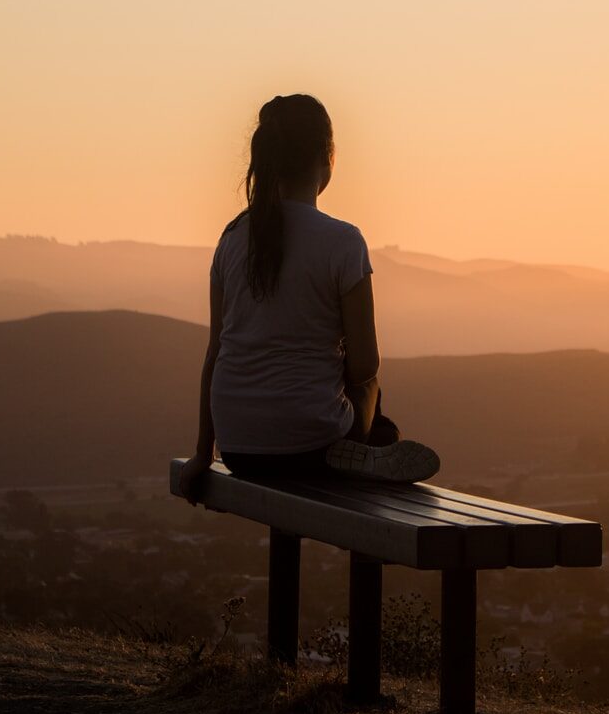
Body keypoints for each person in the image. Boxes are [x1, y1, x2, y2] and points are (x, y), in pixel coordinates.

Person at [179, 94, 439, 503]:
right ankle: (369, 448)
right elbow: (365, 364)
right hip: (312, 446)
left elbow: (215, 353)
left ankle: (365, 447)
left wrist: (201, 453)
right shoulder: (343, 242)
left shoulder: (230, 240)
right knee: (373, 393)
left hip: (238, 449)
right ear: (327, 157)